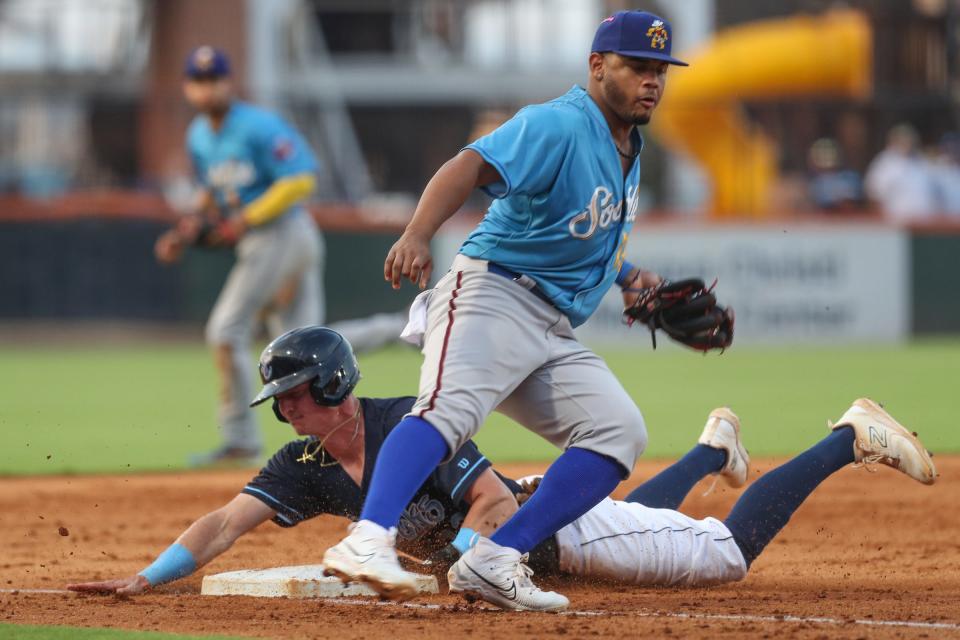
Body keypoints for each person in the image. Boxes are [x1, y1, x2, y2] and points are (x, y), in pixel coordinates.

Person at [65, 328, 937, 601]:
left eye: (293, 393)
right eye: (279, 400)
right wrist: (147, 581)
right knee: (644, 517)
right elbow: (225, 522)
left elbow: (486, 501)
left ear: (331, 383)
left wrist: (476, 571)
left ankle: (845, 435)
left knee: (723, 558)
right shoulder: (305, 465)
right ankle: (713, 448)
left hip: (541, 531)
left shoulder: (412, 421)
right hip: (535, 535)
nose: (284, 411)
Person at [322, 9, 694, 611]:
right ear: (599, 66)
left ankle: (495, 559)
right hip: (493, 294)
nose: (652, 80)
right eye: (637, 67)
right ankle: (369, 537)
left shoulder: (630, 145)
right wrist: (418, 232)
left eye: (660, 70)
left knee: (618, 432)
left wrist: (626, 277)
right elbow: (469, 163)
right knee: (448, 414)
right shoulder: (558, 124)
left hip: (549, 325)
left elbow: (582, 236)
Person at [154, 46, 324, 467]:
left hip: (283, 233)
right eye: (198, 81)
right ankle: (332, 444)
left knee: (226, 330)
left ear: (229, 83)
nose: (207, 88)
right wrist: (185, 229)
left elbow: (301, 180)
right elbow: (210, 194)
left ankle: (240, 439)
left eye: (214, 79)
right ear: (187, 88)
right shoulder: (198, 136)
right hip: (260, 239)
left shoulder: (259, 126)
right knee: (304, 348)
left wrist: (246, 218)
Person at [864, 124, 938, 221]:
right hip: (896, 225)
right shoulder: (884, 163)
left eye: (909, 139)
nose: (907, 142)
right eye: (903, 139)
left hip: (925, 223)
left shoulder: (920, 161)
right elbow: (874, 195)